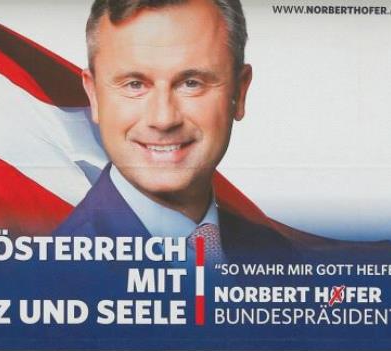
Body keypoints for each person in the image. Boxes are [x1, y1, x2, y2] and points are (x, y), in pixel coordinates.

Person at [57, 0, 295, 263]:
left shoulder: (281, 259)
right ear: (94, 96)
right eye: (135, 84)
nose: (164, 119)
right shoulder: (43, 286)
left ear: (239, 93)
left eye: (191, 83)